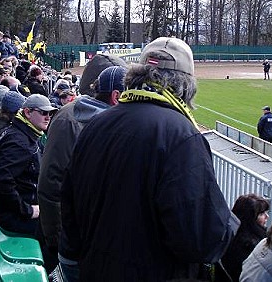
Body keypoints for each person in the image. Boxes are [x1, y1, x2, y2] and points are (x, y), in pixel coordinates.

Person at [59, 37, 238, 282]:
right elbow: (201, 241)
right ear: (186, 85)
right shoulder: (181, 136)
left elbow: (69, 210)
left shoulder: (95, 125)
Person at [38, 64, 128, 273]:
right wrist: (60, 240)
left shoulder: (108, 120)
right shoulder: (71, 119)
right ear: (116, 96)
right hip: (72, 244)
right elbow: (51, 182)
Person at [0, 94, 57, 237]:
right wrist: (28, 210)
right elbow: (2, 181)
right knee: (59, 228)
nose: (48, 117)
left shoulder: (25, 133)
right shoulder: (19, 142)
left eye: (50, 113)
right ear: (27, 112)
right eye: (43, 112)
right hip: (14, 216)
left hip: (18, 207)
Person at [215, 194, 270, 282]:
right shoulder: (252, 244)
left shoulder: (226, 232)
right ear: (250, 217)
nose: (267, 216)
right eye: (261, 214)